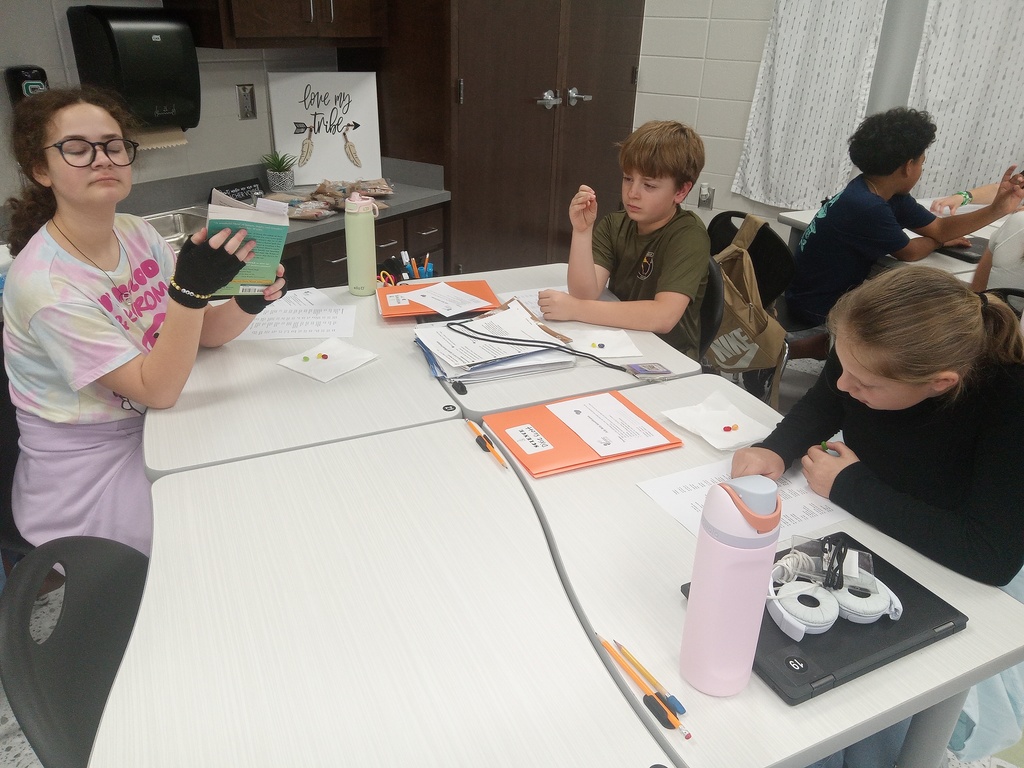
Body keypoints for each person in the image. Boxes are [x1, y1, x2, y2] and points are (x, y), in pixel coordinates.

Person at [732, 266, 1024, 768]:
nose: (844, 383)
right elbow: (826, 400)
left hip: (942, 556)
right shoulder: (867, 343)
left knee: (858, 709)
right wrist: (775, 450)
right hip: (866, 524)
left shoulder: (1009, 402)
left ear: (939, 384)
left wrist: (851, 488)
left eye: (864, 383)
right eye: (840, 364)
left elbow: (990, 557)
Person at [1, 86, 286, 555]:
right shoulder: (46, 287)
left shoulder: (135, 231)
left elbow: (201, 336)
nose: (102, 159)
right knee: (223, 531)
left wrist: (251, 300)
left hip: (155, 422)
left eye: (114, 146)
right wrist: (190, 294)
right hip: (90, 471)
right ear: (40, 170)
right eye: (76, 148)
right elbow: (159, 389)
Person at [785, 108, 1024, 362]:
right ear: (908, 166)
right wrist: (937, 240)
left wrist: (997, 209)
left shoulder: (881, 191)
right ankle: (788, 353)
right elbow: (911, 252)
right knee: (897, 331)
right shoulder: (866, 206)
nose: (922, 168)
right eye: (922, 161)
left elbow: (939, 228)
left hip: (816, 290)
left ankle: (789, 352)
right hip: (816, 302)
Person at [536, 120, 710, 360]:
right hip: (619, 340)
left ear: (681, 192)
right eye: (628, 179)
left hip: (667, 356)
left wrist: (575, 309)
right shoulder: (615, 224)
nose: (632, 193)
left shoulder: (689, 236)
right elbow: (584, 293)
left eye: (648, 185)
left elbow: (663, 317)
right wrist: (582, 231)